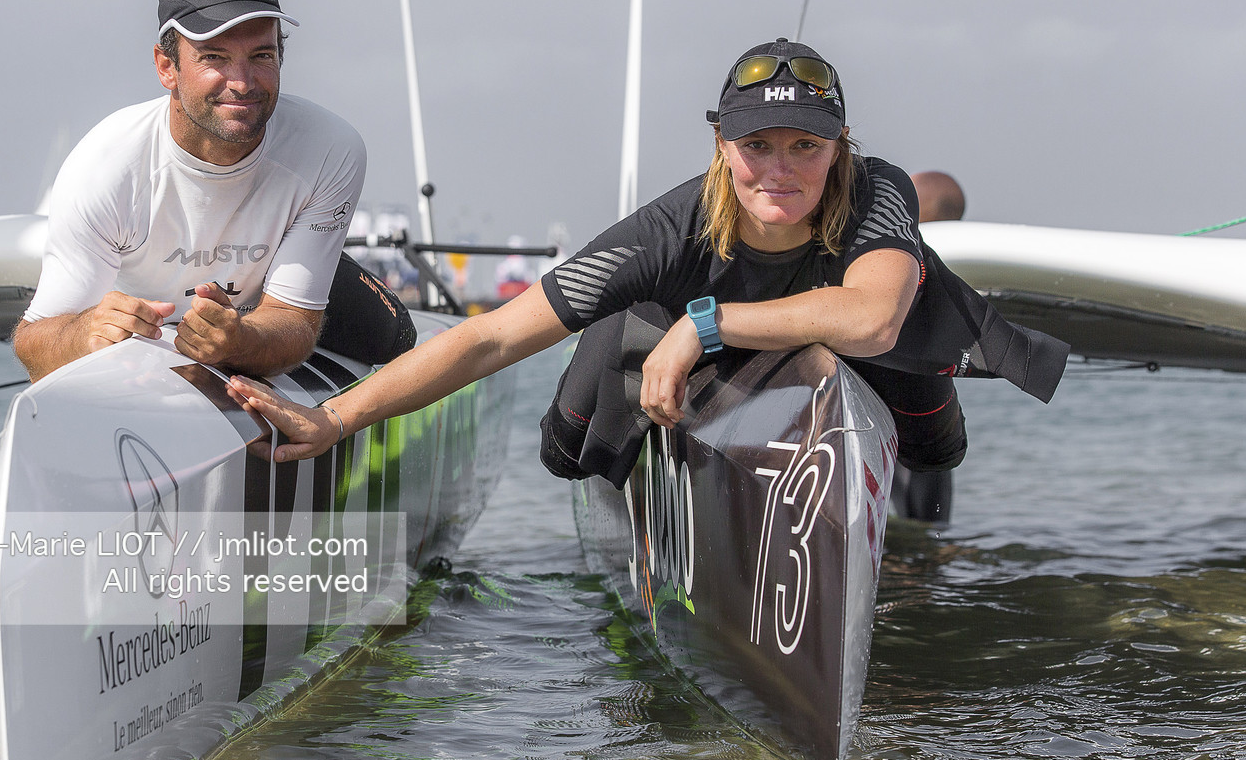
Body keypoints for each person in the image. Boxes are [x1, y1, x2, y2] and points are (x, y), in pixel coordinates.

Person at [228, 39, 1064, 475]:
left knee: (938, 450)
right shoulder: (670, 231)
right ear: (721, 144)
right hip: (692, 342)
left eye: (804, 147)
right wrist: (335, 418)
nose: (778, 170)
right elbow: (492, 337)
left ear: (840, 146)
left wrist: (704, 322)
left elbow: (875, 316)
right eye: (757, 145)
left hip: (834, 352)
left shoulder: (877, 191)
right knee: (564, 451)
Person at [13, 0, 367, 381]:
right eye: (214, 57)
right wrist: (83, 334)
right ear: (167, 67)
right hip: (142, 350)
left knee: (393, 339)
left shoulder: (331, 147)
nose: (241, 83)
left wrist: (241, 342)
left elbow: (292, 322)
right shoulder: (105, 167)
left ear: (280, 56)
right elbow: (34, 343)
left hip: (261, 315)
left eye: (260, 56)